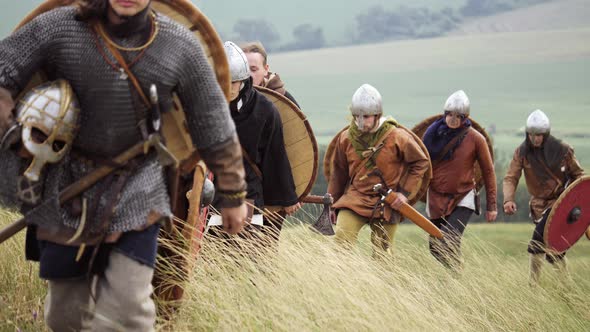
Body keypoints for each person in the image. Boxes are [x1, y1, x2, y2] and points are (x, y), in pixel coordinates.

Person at [0, 0, 248, 330]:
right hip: (67, 188)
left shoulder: (178, 44)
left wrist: (232, 194)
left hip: (137, 188)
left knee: (128, 309)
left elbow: (213, 122)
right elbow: (5, 70)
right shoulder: (60, 27)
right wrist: (10, 126)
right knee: (65, 315)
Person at [207, 41, 300, 247]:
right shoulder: (204, 106)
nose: (228, 88)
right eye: (223, 82)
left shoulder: (265, 110)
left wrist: (287, 197)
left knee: (246, 255)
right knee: (210, 256)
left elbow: (276, 157)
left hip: (248, 191)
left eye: (233, 82)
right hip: (209, 192)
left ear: (243, 80)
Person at [327, 84, 430, 258]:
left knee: (383, 254)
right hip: (355, 198)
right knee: (340, 245)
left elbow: (420, 162)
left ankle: (382, 285)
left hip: (387, 202)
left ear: (377, 115)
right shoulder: (346, 138)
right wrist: (331, 204)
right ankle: (342, 284)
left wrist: (403, 194)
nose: (361, 122)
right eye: (356, 116)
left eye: (366, 116)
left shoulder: (397, 136)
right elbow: (339, 173)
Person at [503, 109, 584, 285]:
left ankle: (533, 284)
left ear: (546, 134)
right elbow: (511, 177)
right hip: (538, 206)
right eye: (532, 135)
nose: (535, 138)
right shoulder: (521, 153)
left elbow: (579, 176)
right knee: (554, 252)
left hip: (560, 203)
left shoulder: (563, 150)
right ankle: (567, 286)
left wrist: (575, 202)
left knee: (536, 243)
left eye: (539, 135)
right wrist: (508, 199)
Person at [422, 90, 497, 271]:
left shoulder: (476, 139)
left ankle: (457, 276)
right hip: (436, 199)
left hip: (463, 198)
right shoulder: (432, 135)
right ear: (445, 113)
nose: (453, 119)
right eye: (450, 115)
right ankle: (456, 272)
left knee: (449, 238)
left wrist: (492, 205)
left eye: (458, 116)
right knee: (435, 247)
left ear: (465, 117)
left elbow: (488, 171)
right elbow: (419, 165)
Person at [241, 41, 300, 108]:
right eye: (244, 69)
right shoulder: (232, 97)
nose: (248, 75)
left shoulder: (282, 97)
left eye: (253, 69)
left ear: (265, 69)